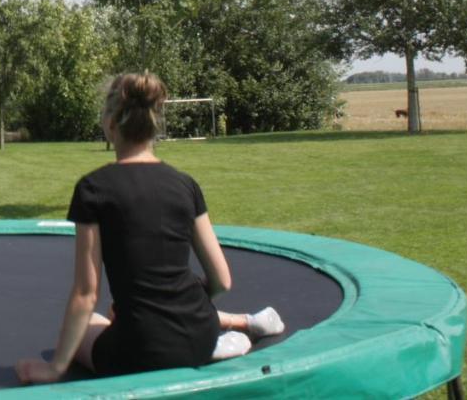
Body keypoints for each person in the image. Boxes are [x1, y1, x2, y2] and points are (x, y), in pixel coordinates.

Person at [15, 73, 284, 385]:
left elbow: (87, 293)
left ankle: (207, 344)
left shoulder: (94, 189)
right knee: (139, 317)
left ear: (110, 123)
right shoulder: (185, 184)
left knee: (90, 322)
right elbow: (222, 280)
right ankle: (219, 342)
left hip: (139, 350)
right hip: (200, 332)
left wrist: (54, 368)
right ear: (154, 124)